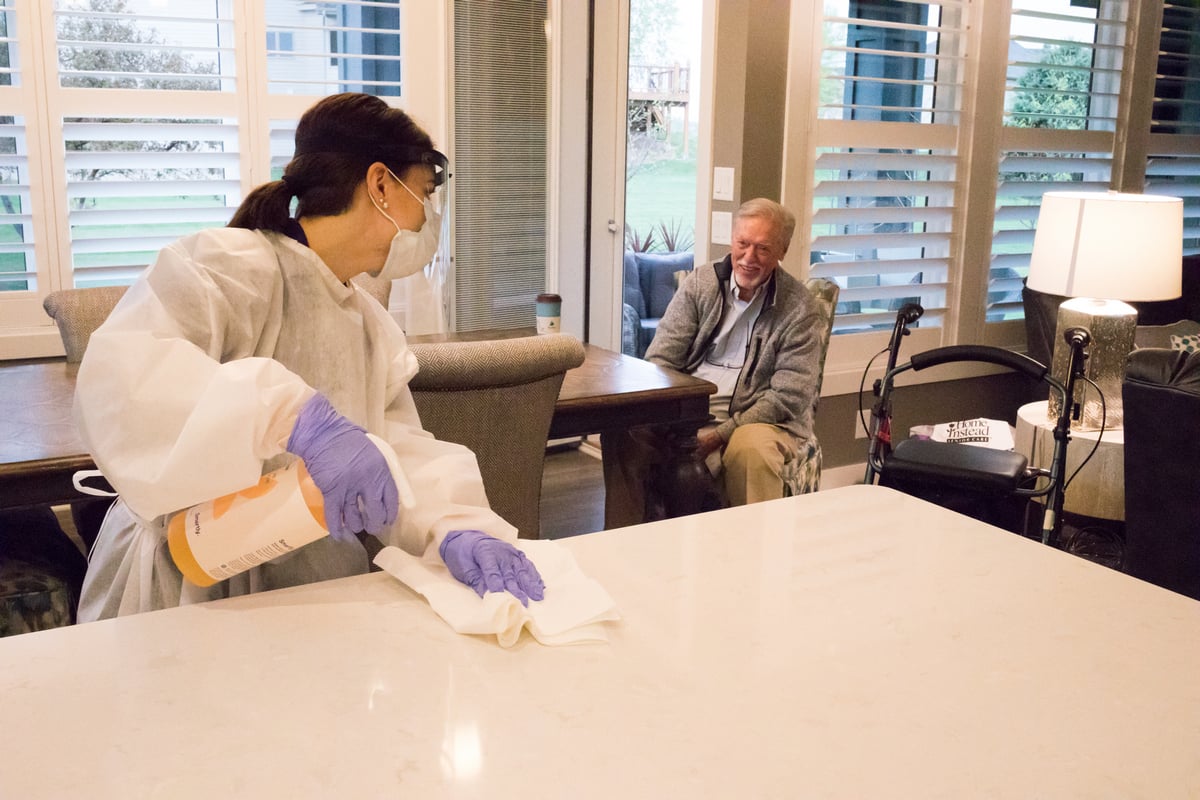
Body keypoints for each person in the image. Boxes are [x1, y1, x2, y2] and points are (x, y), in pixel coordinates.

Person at [74, 92, 543, 621]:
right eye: (425, 194)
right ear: (382, 185)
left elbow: (394, 448)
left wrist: (453, 526)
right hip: (185, 579)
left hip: (309, 579)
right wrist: (289, 416)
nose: (427, 219)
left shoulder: (367, 323)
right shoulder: (227, 267)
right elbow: (125, 383)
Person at [601, 198, 824, 528]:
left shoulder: (799, 308)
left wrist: (719, 435)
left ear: (783, 250)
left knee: (751, 451)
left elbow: (787, 397)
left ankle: (753, 560)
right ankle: (621, 545)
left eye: (762, 249)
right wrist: (676, 422)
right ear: (732, 239)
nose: (748, 258)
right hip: (690, 409)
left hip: (760, 419)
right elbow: (660, 360)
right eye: (743, 244)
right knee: (624, 432)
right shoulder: (700, 284)